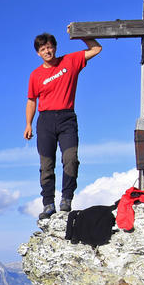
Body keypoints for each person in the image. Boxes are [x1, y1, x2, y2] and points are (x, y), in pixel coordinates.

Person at [24, 32, 101, 220]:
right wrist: (28, 124)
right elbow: (32, 100)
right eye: (43, 49)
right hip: (45, 120)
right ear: (38, 53)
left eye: (49, 47)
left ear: (55, 47)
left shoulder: (70, 61)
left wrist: (82, 34)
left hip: (67, 118)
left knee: (71, 159)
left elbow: (96, 49)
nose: (47, 51)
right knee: (46, 164)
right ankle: (48, 204)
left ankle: (66, 199)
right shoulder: (35, 75)